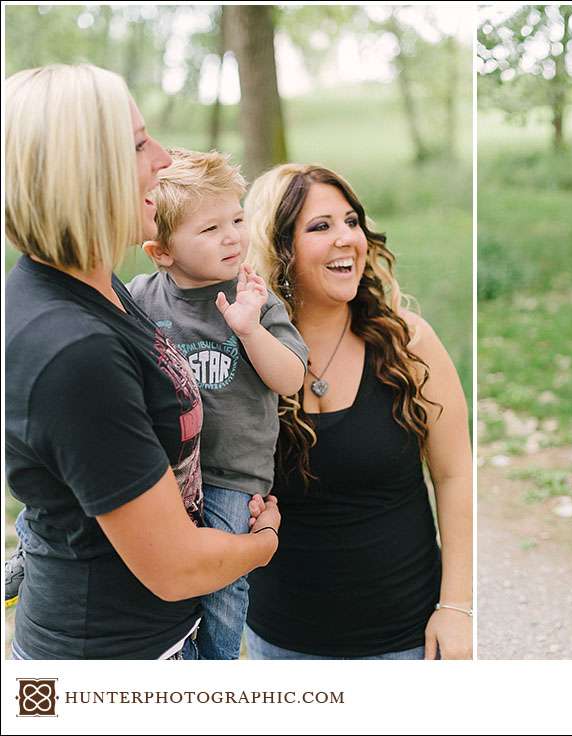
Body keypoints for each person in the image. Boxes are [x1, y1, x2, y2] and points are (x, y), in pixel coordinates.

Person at [4, 63, 280, 659]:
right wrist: (263, 542)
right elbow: (175, 568)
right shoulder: (73, 349)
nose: (162, 158)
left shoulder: (90, 283)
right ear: (81, 173)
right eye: (136, 144)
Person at [242, 164, 473, 660]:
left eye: (352, 222)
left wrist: (457, 607)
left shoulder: (409, 343)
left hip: (407, 640)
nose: (347, 238)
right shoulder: (245, 354)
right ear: (279, 249)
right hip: (281, 644)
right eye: (321, 227)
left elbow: (455, 476)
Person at [127, 148, 308, 659]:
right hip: (165, 473)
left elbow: (291, 378)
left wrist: (250, 329)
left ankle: (216, 675)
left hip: (232, 475)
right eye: (209, 230)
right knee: (160, 570)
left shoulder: (254, 295)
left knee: (224, 588)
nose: (232, 236)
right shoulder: (142, 296)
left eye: (236, 218)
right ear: (161, 252)